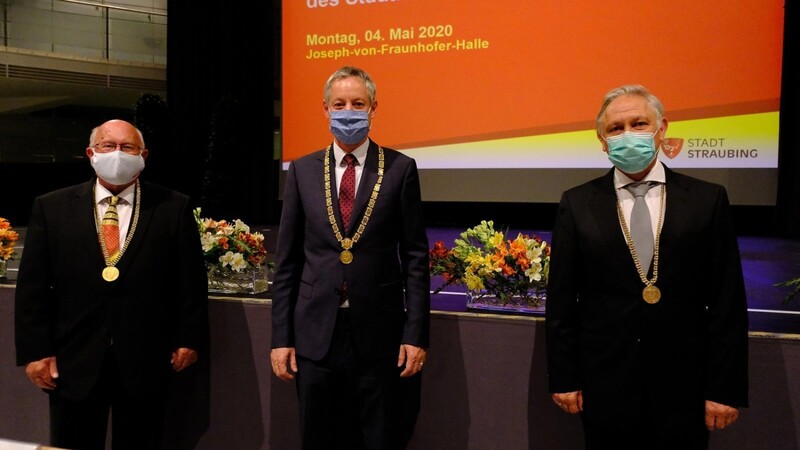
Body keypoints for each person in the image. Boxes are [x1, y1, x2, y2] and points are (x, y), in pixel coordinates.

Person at [545, 85, 749, 449]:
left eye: (639, 124)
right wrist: (564, 378)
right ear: (602, 141)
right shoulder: (576, 204)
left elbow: (726, 302)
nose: (628, 135)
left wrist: (724, 387)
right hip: (605, 386)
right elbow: (561, 303)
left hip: (685, 387)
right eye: (615, 128)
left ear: (662, 128)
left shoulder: (707, 199)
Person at [15, 119, 209, 450]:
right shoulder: (52, 207)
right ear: (91, 153)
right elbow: (33, 288)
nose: (117, 153)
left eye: (127, 147)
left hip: (146, 360)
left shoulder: (173, 207)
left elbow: (190, 282)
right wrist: (35, 352)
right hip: (72, 360)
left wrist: (188, 339)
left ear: (143, 155)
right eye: (107, 146)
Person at [270, 65, 430, 450]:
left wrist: (416, 334)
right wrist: (281, 337)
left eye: (358, 103)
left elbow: (415, 258)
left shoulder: (400, 169)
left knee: (379, 438)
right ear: (324, 109)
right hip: (314, 333)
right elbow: (287, 260)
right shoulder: (303, 170)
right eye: (339, 104)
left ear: (374, 108)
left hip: (380, 333)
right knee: (318, 438)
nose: (348, 112)